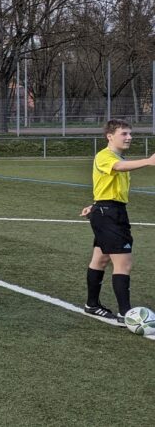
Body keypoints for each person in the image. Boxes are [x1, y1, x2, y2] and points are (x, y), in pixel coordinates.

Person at [81, 119, 155, 323]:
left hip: (108, 211)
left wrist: (95, 205)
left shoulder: (117, 156)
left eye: (130, 133)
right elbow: (119, 167)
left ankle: (92, 305)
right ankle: (126, 314)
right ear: (110, 136)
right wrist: (148, 161)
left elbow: (106, 186)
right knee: (124, 263)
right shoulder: (105, 156)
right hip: (110, 215)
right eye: (124, 134)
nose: (129, 137)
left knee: (101, 259)